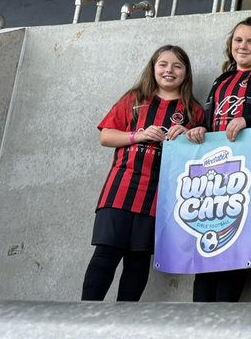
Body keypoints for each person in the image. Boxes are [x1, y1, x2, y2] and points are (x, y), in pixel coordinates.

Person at [81, 46, 204, 302]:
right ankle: (85, 315)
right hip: (121, 190)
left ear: (186, 73)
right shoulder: (135, 99)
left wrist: (188, 136)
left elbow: (201, 156)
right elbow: (105, 136)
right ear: (153, 68)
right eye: (163, 64)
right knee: (105, 254)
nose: (169, 70)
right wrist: (140, 135)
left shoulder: (194, 111)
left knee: (138, 262)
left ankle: (125, 324)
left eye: (177, 66)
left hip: (160, 196)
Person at [187, 17, 251, 302]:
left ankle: (224, 319)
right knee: (207, 247)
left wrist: (250, 119)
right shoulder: (220, 81)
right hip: (212, 184)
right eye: (238, 40)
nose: (243, 46)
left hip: (248, 179)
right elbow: (208, 126)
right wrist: (199, 130)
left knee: (235, 248)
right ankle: (199, 322)